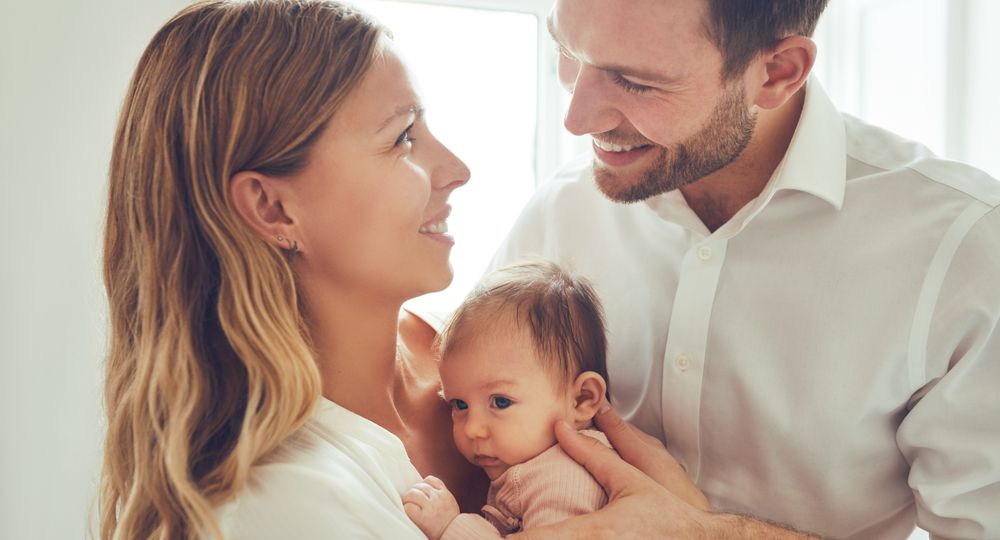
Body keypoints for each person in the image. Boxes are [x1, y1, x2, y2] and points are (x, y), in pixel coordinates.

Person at [481, 0, 1000, 538]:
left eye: (635, 82)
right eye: (567, 51)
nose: (577, 118)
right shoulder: (562, 211)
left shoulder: (963, 249)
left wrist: (702, 533)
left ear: (777, 72)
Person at [98, 1, 487, 538]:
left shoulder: (493, 343)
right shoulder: (279, 504)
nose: (457, 171)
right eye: (402, 138)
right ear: (271, 208)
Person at [402, 262, 622, 539]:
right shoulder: (537, 467)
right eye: (460, 405)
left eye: (501, 402)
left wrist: (451, 527)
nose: (473, 429)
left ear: (582, 399)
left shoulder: (564, 478)